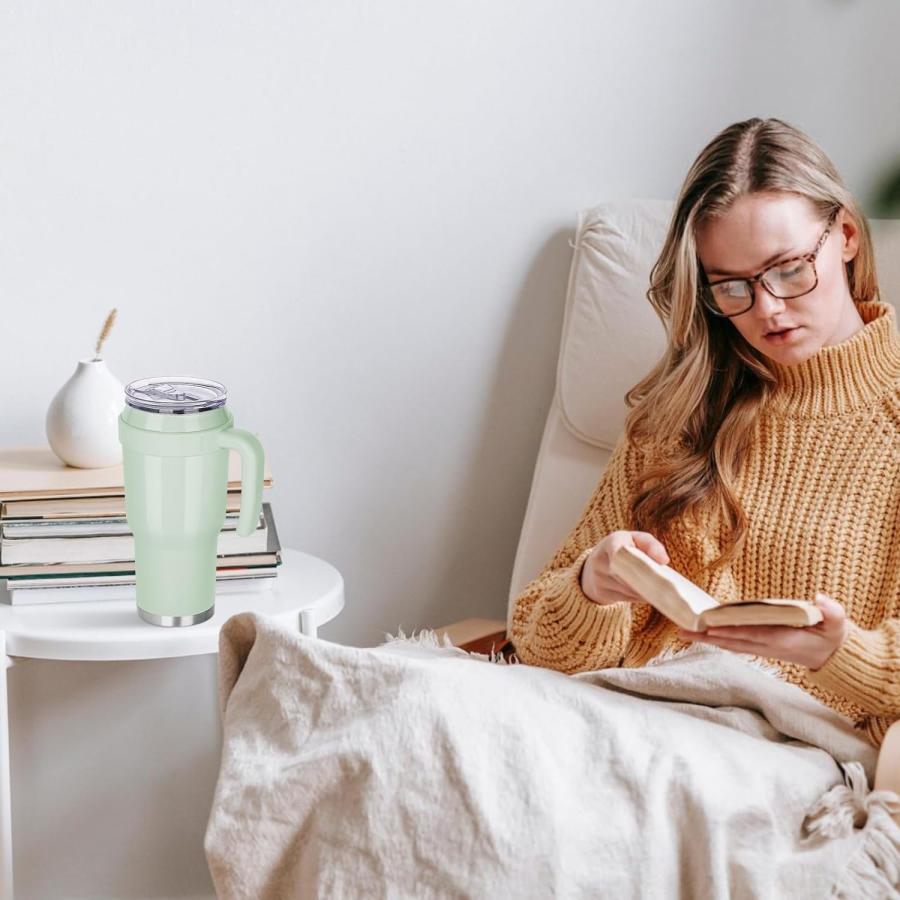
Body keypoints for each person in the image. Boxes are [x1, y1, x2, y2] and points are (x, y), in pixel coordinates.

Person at [509, 116, 900, 753]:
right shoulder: (681, 412)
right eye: (731, 285)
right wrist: (590, 586)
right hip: (613, 722)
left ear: (847, 236)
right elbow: (532, 637)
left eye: (790, 269)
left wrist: (840, 652)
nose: (767, 307)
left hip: (772, 752)